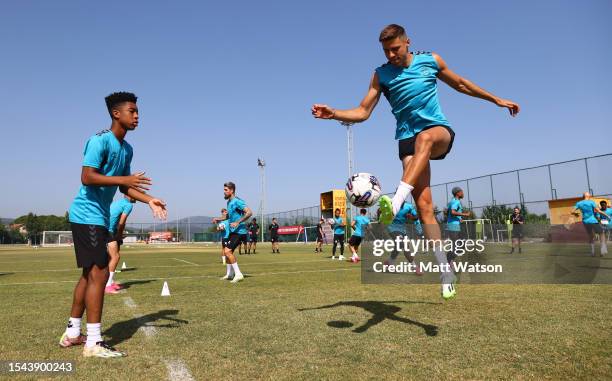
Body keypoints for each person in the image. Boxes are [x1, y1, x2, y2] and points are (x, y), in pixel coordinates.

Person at [312, 24, 519, 299]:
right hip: (406, 140)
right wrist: (334, 112)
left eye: (395, 48)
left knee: (425, 139)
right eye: (386, 50)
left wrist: (496, 99)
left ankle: (396, 201)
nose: (391, 54)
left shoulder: (430, 60)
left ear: (408, 42)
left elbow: (460, 83)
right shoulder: (381, 74)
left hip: (437, 131)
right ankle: (445, 270)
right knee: (424, 207)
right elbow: (363, 111)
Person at [61, 92, 167, 358]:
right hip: (87, 214)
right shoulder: (99, 141)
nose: (137, 116)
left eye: (138, 111)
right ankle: (94, 342)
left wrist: (150, 200)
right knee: (99, 273)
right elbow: (87, 177)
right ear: (116, 114)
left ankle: (73, 333)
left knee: (89, 274)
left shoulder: (127, 149)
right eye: (132, 111)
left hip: (96, 216)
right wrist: (126, 179)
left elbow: (125, 186)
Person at [212, 182, 251, 282]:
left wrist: (238, 222)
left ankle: (238, 274)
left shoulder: (237, 201)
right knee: (228, 252)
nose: (224, 192)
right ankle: (229, 274)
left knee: (227, 251)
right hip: (233, 231)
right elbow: (228, 216)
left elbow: (249, 212)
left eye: (226, 190)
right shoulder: (229, 202)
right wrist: (218, 219)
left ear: (231, 190)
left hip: (240, 231)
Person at [105, 195, 136, 294]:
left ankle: (110, 281)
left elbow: (115, 217)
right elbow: (122, 222)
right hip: (108, 230)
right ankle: (107, 285)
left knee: (112, 256)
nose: (137, 197)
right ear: (128, 194)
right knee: (115, 257)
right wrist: (119, 234)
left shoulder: (119, 202)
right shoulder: (128, 205)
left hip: (109, 229)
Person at [385, 201, 422, 275]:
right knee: (403, 244)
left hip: (402, 230)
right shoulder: (390, 203)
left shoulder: (409, 206)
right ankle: (415, 267)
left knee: (399, 247)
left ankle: (389, 263)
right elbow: (380, 211)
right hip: (392, 228)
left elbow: (416, 217)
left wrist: (412, 217)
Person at [446, 187, 470, 265]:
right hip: (453, 226)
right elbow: (453, 212)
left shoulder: (452, 201)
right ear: (457, 193)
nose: (463, 193)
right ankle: (449, 261)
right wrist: (465, 214)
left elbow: (449, 213)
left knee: (458, 244)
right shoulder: (456, 202)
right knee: (458, 245)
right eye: (461, 191)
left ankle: (450, 261)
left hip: (452, 225)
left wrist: (459, 218)